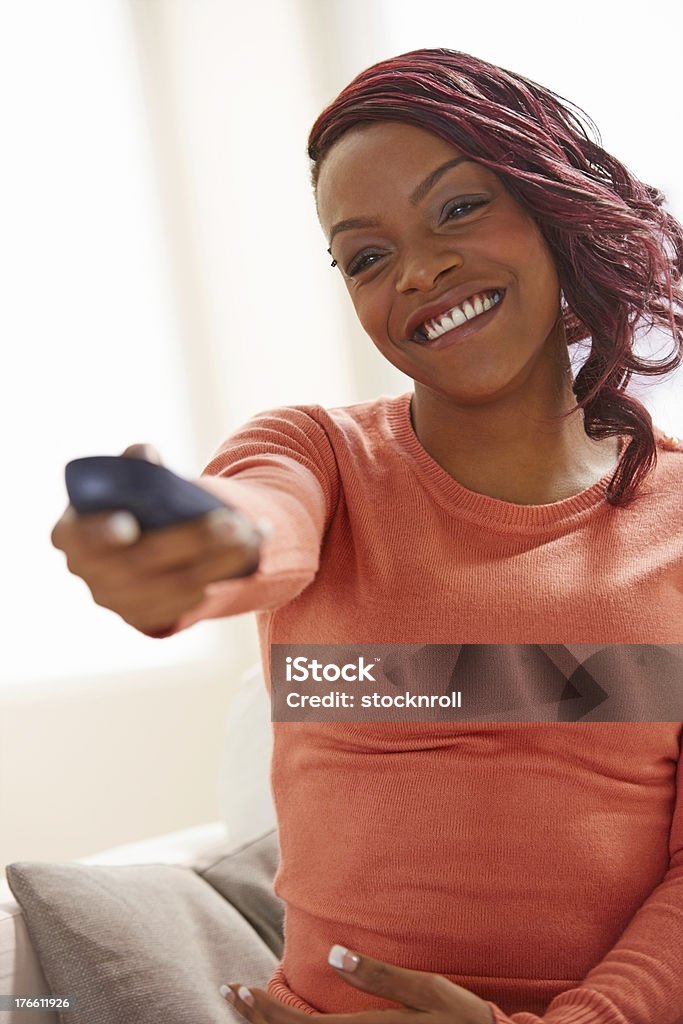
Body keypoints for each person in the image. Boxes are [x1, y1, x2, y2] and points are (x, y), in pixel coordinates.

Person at [50, 48, 683, 1024]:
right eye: (366, 255)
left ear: (550, 207)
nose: (421, 269)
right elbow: (259, 523)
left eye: (458, 209)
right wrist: (195, 552)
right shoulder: (318, 457)